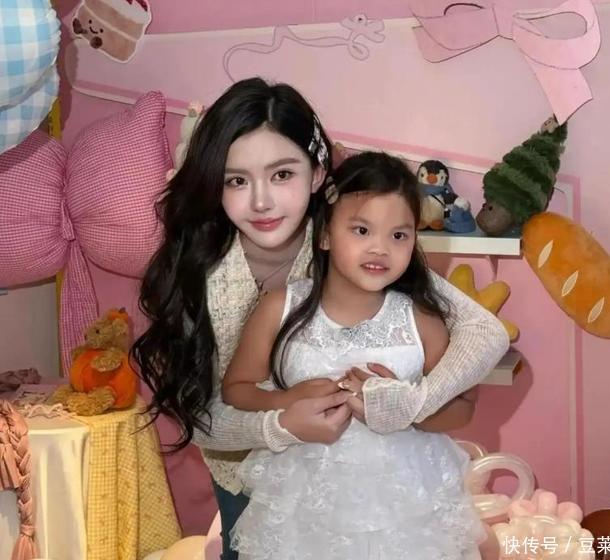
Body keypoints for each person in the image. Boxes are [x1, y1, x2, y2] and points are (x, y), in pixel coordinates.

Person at [132, 77, 509, 560]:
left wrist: (411, 404)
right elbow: (202, 416)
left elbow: (484, 332)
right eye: (236, 180)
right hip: (253, 478)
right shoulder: (198, 271)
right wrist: (283, 422)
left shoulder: (354, 245)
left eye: (282, 174)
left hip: (385, 491)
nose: (261, 201)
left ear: (316, 175)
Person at [222, 151, 486, 559]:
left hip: (405, 506)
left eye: (399, 236)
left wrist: (407, 409)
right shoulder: (280, 308)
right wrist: (286, 400)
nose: (380, 248)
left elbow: (463, 408)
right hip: (306, 505)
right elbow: (236, 389)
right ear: (325, 235)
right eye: (362, 230)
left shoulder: (420, 318)